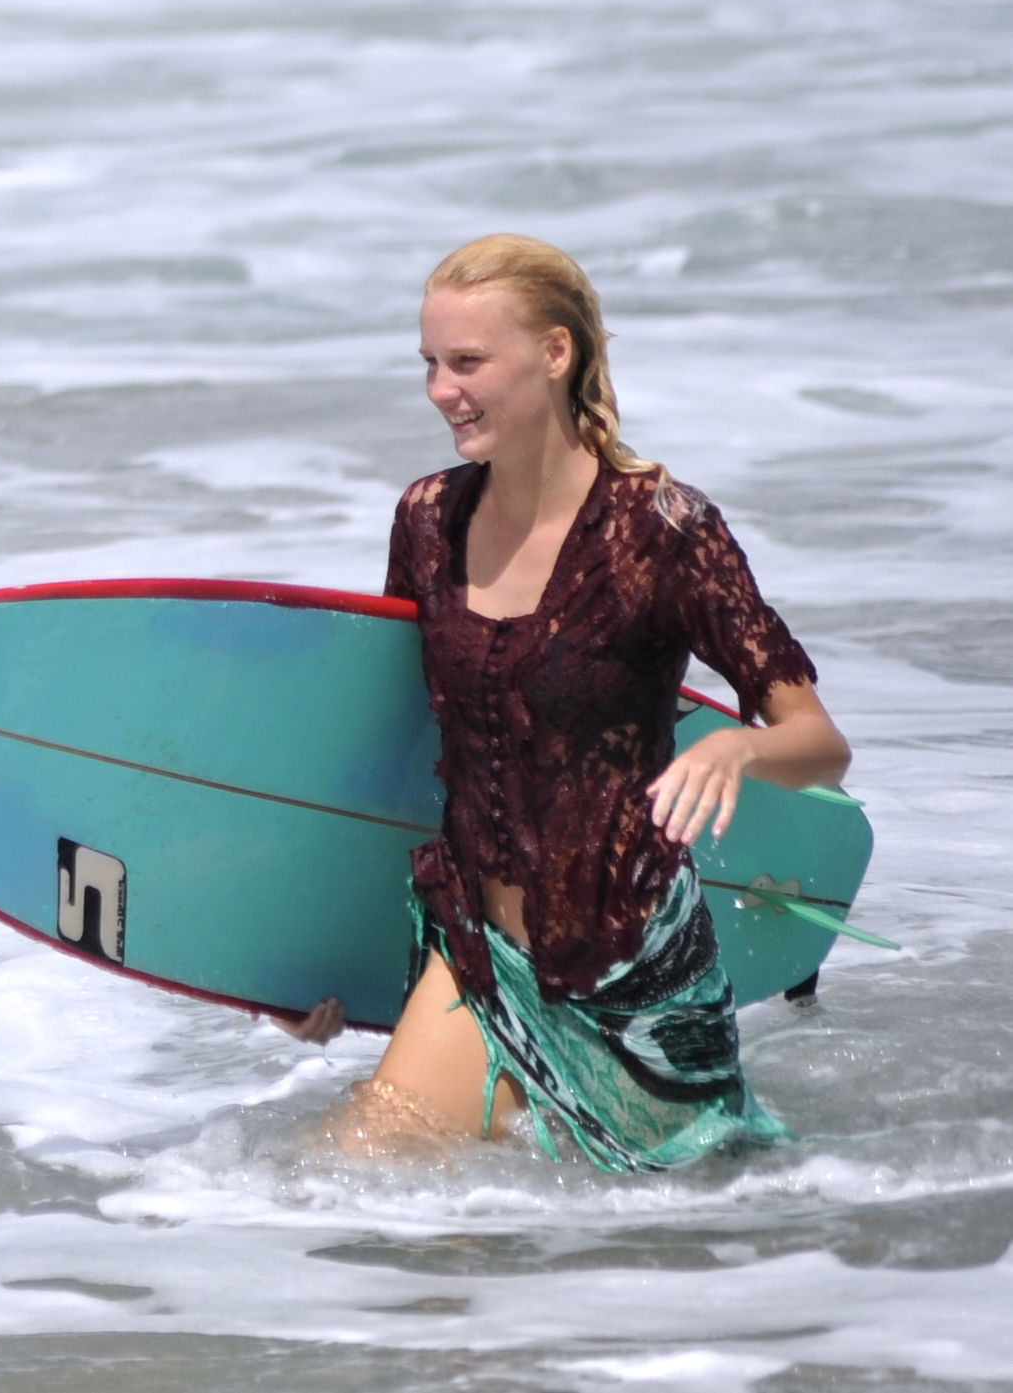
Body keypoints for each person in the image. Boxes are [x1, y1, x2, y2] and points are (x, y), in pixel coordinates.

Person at [294, 234, 851, 1170]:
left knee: (660, 1249)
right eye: (428, 363)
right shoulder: (427, 522)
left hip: (632, 968)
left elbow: (817, 742)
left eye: (466, 361)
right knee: (347, 1172)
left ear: (556, 354)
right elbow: (393, 749)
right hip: (474, 947)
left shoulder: (661, 530)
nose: (440, 389)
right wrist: (319, 959)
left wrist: (737, 749)